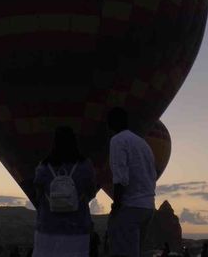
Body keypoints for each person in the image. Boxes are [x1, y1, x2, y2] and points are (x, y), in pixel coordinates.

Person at [32, 126, 97, 257]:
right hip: (77, 228)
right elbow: (91, 192)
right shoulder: (85, 166)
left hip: (48, 227)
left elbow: (38, 196)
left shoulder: (43, 167)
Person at [107, 108, 156, 257]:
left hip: (130, 206)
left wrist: (116, 206)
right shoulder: (143, 143)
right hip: (148, 207)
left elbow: (121, 177)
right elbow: (152, 173)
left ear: (114, 122)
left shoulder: (118, 140)